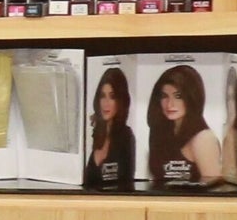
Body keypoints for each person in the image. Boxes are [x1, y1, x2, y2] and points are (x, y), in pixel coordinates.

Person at [145, 61, 228, 188]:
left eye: (178, 96)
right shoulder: (159, 132)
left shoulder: (203, 138)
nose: (170, 104)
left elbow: (214, 190)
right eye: (164, 96)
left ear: (192, 96)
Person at [85, 63, 135, 192]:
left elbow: (126, 185)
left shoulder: (126, 136)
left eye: (112, 97)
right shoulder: (97, 134)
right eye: (103, 96)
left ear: (120, 100)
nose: (106, 103)